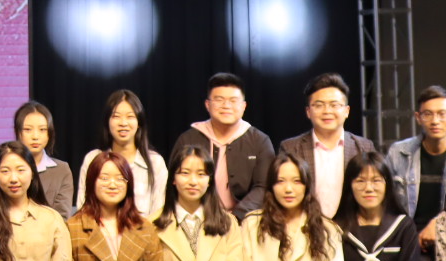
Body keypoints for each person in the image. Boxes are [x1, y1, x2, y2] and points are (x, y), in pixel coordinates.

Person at [387, 86, 446, 261]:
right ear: (418, 117)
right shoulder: (398, 152)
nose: (435, 121)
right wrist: (407, 235)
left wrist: (438, 225)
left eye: (442, 114)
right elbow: (386, 201)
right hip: (410, 233)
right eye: (428, 114)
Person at [173, 73, 275, 220]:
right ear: (208, 105)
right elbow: (175, 181)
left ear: (244, 106)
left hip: (245, 219)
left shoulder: (259, 141)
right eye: (219, 100)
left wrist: (236, 217)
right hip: (195, 217)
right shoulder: (188, 139)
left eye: (233, 101)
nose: (226, 106)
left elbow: (264, 186)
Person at [279, 73, 378, 221]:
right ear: (308, 112)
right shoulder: (291, 148)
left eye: (334, 105)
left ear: (347, 111)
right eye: (319, 105)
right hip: (306, 226)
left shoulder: (364, 147)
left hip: (353, 226)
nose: (327, 111)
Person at [76, 90, 168, 222]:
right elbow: (83, 206)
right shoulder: (93, 158)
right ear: (107, 121)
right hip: (98, 232)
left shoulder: (155, 162)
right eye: (116, 116)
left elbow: (159, 212)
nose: (123, 123)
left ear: (139, 122)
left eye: (130, 116)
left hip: (144, 232)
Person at [17, 100, 73, 218]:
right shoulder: (3, 168)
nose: (35, 136)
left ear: (49, 134)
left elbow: (62, 217)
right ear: (18, 132)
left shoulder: (62, 170)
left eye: (42, 129)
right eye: (28, 129)